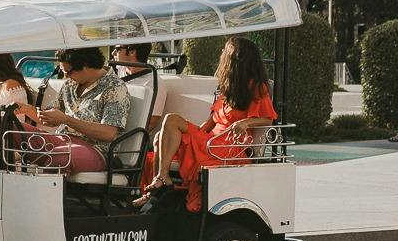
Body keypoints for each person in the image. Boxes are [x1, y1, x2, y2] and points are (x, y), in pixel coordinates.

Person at [139, 36, 277, 209]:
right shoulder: (227, 88)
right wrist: (189, 133)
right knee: (160, 136)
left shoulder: (257, 87)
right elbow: (210, 123)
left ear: (234, 57)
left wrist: (246, 122)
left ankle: (161, 178)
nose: (221, 53)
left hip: (226, 148)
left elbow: (268, 118)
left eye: (224, 51)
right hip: (211, 141)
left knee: (171, 119)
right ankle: (151, 192)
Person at [34, 47, 131, 174]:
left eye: (68, 72)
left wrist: (65, 119)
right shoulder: (70, 84)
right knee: (5, 128)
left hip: (95, 150)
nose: (65, 76)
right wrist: (45, 116)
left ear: (85, 65)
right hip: (62, 140)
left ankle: (41, 191)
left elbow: (109, 133)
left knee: (58, 156)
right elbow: (55, 113)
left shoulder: (115, 88)